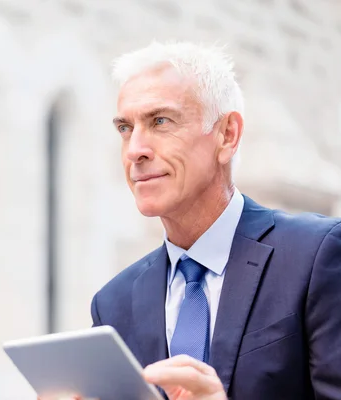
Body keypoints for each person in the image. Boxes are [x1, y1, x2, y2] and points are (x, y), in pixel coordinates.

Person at [45, 41, 341, 399]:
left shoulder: (315, 257)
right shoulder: (113, 304)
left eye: (160, 121)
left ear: (227, 135)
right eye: (125, 128)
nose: (135, 150)